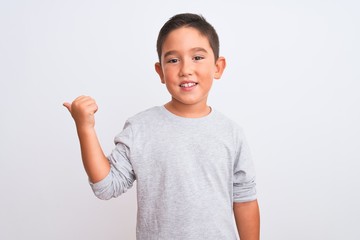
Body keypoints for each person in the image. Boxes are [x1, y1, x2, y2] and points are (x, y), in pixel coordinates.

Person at [64, 13, 260, 240]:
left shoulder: (231, 133)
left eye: (197, 57)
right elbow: (106, 186)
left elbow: (245, 200)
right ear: (160, 72)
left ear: (218, 67)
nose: (186, 69)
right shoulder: (141, 128)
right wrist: (85, 128)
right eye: (173, 60)